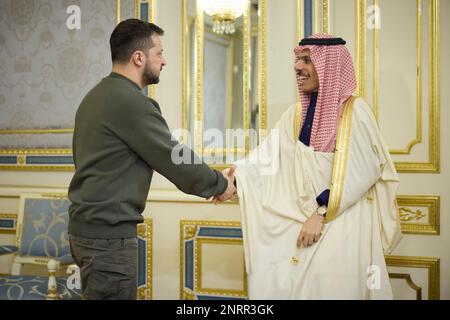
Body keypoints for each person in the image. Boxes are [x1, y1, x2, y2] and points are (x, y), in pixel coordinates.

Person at [216, 34, 402, 299]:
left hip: (344, 223)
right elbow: (268, 156)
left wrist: (321, 213)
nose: (297, 67)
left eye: (307, 59)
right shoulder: (296, 114)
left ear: (329, 66)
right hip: (308, 221)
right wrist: (234, 181)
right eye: (297, 59)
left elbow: (361, 171)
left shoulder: (355, 112)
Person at [68, 19, 236, 300]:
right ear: (138, 57)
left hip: (85, 232)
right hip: (108, 239)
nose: (164, 61)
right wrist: (221, 184)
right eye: (159, 53)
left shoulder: (93, 98)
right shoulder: (130, 102)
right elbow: (174, 158)